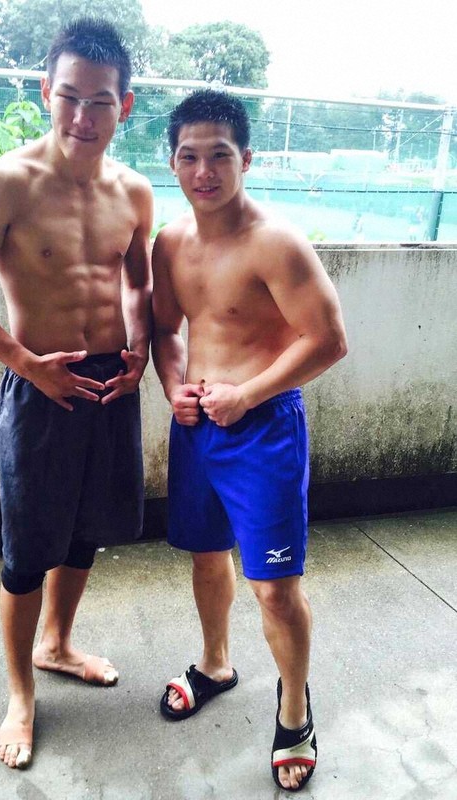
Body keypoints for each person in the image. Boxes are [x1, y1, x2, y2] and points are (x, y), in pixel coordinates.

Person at [0, 18, 152, 769]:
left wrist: (140, 349)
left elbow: (137, 280)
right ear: (45, 93)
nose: (83, 117)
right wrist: (27, 364)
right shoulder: (9, 182)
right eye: (69, 97)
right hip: (41, 385)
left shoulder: (135, 192)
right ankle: (21, 692)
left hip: (110, 385)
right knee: (28, 547)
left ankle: (58, 644)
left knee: (89, 528)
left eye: (100, 101)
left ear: (125, 105)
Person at [151, 89, 347, 792]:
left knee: (275, 588)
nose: (203, 171)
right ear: (172, 162)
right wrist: (174, 386)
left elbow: (328, 340)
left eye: (219, 156)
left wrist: (248, 393)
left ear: (247, 159)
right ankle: (215, 663)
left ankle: (294, 712)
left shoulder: (276, 243)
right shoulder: (170, 242)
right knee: (207, 556)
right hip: (197, 427)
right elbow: (164, 329)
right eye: (189, 157)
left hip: (263, 431)